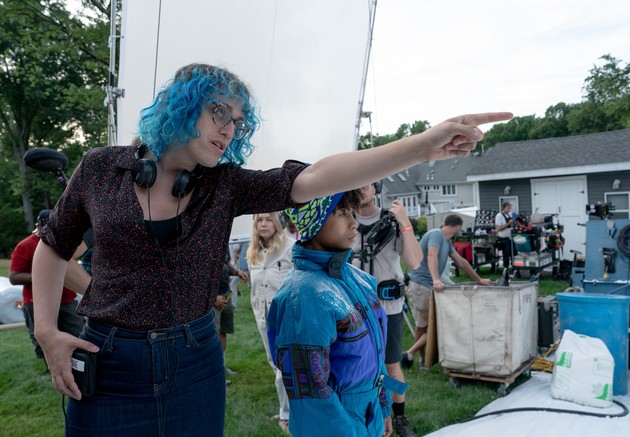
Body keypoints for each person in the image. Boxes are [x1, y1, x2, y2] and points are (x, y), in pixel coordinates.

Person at [31, 62, 511, 436]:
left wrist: (424, 146)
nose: (229, 129)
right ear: (181, 105)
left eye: (238, 121)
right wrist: (49, 332)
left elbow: (318, 177)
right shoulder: (100, 169)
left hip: (195, 363)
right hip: (110, 363)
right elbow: (51, 248)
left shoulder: (226, 186)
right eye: (219, 112)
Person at [268, 190, 396, 437]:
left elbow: (377, 359)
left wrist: (383, 407)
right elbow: (311, 394)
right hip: (340, 425)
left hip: (369, 417)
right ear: (312, 221)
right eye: (341, 214)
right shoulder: (304, 296)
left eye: (352, 212)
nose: (353, 223)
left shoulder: (361, 280)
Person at [352, 184, 422, 437]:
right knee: (357, 365)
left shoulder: (391, 222)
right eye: (356, 182)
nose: (361, 188)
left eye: (367, 183)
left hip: (387, 309)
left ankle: (399, 415)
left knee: (390, 365)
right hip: (353, 309)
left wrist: (405, 222)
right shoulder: (342, 219)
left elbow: (414, 262)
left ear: (377, 187)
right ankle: (365, 412)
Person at [401, 214, 491, 369]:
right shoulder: (436, 234)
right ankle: (416, 357)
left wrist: (479, 279)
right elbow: (431, 254)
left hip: (427, 286)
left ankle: (417, 358)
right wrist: (436, 279)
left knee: (426, 325)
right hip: (421, 286)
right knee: (430, 325)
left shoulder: (447, 241)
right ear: (457, 227)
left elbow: (461, 262)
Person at [9, 210, 88, 363]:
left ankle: (80, 366)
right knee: (46, 341)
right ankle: (52, 368)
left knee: (77, 333)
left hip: (66, 300)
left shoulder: (67, 240)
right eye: (45, 227)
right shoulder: (25, 245)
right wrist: (45, 273)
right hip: (36, 301)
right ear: (38, 225)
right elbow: (14, 277)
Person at [246, 212, 294, 433]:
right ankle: (287, 407)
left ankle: (287, 415)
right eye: (259, 220)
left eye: (267, 220)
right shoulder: (252, 252)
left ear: (277, 222)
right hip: (262, 317)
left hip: (285, 317)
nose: (263, 224)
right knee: (274, 363)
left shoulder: (290, 247)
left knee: (283, 368)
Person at [213, 253, 247, 385]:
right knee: (212, 336)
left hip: (225, 294)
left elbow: (226, 263)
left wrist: (237, 272)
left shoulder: (222, 237)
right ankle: (215, 372)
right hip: (212, 299)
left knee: (222, 332)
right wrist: (213, 298)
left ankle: (221, 366)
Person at [495, 202, 515, 269]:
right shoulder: (499, 216)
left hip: (510, 238)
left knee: (513, 253)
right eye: (507, 208)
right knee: (506, 255)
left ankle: (514, 268)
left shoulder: (509, 215)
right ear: (503, 208)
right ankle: (505, 269)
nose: (509, 209)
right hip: (503, 239)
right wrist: (508, 224)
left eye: (510, 208)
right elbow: (498, 228)